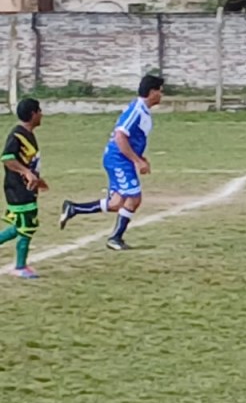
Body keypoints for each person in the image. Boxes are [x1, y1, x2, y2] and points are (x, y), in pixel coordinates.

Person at [59, 74, 164, 250]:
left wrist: (140, 157)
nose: (162, 95)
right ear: (152, 92)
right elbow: (120, 136)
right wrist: (137, 161)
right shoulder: (136, 111)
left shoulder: (143, 110)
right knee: (134, 198)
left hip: (120, 158)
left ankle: (74, 209)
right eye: (160, 91)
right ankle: (115, 238)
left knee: (116, 203)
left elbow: (133, 138)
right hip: (118, 160)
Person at [1, 99, 47, 278]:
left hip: (26, 188)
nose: (42, 114)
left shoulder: (28, 134)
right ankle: (20, 267)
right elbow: (7, 158)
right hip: (17, 189)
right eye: (39, 111)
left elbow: (27, 162)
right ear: (33, 114)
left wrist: (37, 179)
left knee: (19, 226)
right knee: (27, 226)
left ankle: (21, 266)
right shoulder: (17, 135)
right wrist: (26, 173)